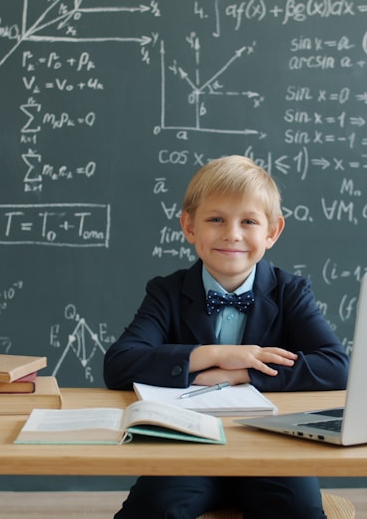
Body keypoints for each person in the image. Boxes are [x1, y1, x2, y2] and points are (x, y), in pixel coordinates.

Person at [103, 155, 349, 519]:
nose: (232, 233)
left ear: (272, 232)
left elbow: (336, 367)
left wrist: (240, 374)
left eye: (248, 221)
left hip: (272, 446)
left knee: (298, 509)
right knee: (154, 508)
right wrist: (214, 354)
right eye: (215, 219)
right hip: (188, 447)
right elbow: (119, 364)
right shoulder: (167, 293)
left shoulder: (291, 292)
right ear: (189, 226)